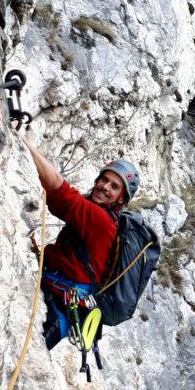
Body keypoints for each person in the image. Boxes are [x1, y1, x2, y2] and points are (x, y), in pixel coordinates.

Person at [20, 135, 140, 350]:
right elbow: (60, 204)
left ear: (121, 199)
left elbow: (60, 193)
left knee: (22, 352)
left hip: (60, 303)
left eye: (114, 186)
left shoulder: (101, 221)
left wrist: (24, 142)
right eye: (104, 180)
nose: (105, 187)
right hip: (56, 292)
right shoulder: (97, 213)